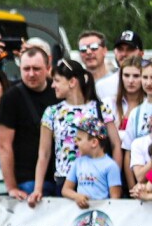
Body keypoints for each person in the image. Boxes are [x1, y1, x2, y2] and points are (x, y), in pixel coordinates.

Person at [30, 58, 122, 205]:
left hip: (98, 179)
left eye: (57, 81)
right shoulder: (52, 112)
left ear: (72, 82)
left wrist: (114, 177)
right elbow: (44, 153)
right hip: (65, 182)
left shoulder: (100, 108)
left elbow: (116, 144)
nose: (53, 85)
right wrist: (37, 188)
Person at [0, 46, 60, 200]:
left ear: (48, 68)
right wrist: (11, 187)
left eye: (36, 69)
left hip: (59, 178)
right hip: (26, 180)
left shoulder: (58, 92)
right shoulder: (11, 97)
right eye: (26, 69)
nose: (31, 74)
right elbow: (4, 146)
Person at [63, 126, 123, 208]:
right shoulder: (78, 163)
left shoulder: (111, 166)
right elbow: (65, 190)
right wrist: (76, 196)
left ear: (94, 142)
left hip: (102, 215)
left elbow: (115, 199)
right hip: (81, 214)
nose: (76, 143)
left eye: (79, 139)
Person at [75, 30, 118, 106]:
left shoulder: (117, 78)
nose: (88, 52)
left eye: (94, 47)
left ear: (105, 50)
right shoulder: (75, 82)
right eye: (83, 49)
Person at [114, 57, 145, 134]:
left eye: (136, 76)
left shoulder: (148, 104)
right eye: (126, 75)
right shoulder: (108, 103)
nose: (130, 81)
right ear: (121, 77)